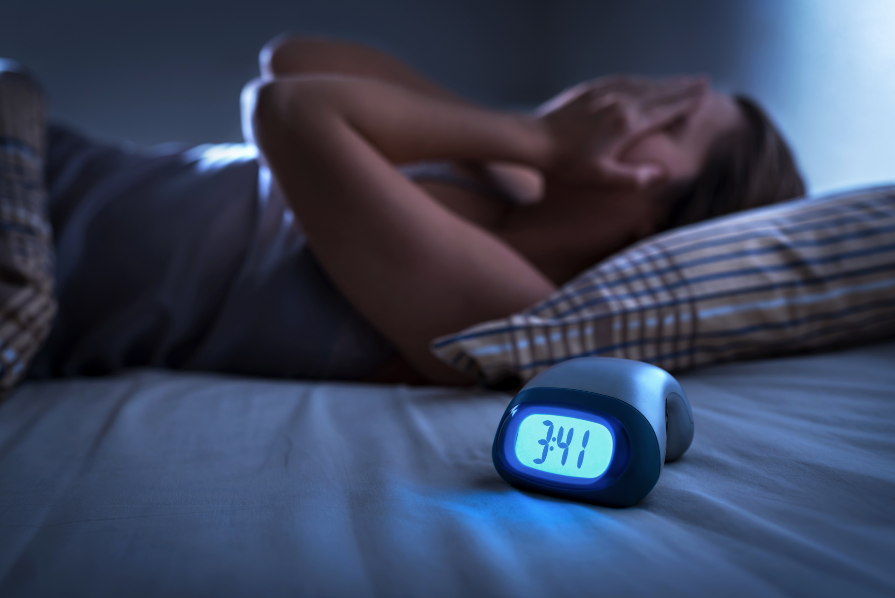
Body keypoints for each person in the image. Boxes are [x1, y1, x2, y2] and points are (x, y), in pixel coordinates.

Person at [0, 36, 805, 394]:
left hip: (28, 261)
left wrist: (537, 137)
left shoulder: (511, 307)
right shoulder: (508, 179)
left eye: (667, 122)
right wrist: (541, 141)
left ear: (664, 221)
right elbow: (300, 56)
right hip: (42, 159)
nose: (632, 96)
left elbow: (285, 109)